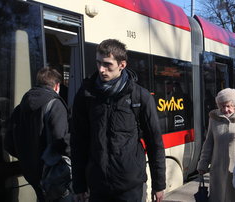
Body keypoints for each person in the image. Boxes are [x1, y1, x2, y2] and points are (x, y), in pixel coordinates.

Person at [71, 39, 166, 202]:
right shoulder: (86, 95)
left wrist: (159, 184)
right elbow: (78, 142)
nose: (101, 69)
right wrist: (79, 184)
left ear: (122, 65)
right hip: (97, 186)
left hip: (130, 187)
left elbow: (154, 142)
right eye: (98, 63)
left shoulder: (139, 96)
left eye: (108, 64)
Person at [4, 67, 71, 201]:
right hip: (53, 175)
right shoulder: (55, 104)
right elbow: (61, 141)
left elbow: (8, 144)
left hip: (31, 173)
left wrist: (28, 157)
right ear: (57, 86)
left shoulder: (19, 108)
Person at [197, 88, 235, 202]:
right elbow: (208, 144)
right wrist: (203, 164)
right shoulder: (214, 119)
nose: (225, 109)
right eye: (221, 106)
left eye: (228, 106)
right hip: (218, 169)